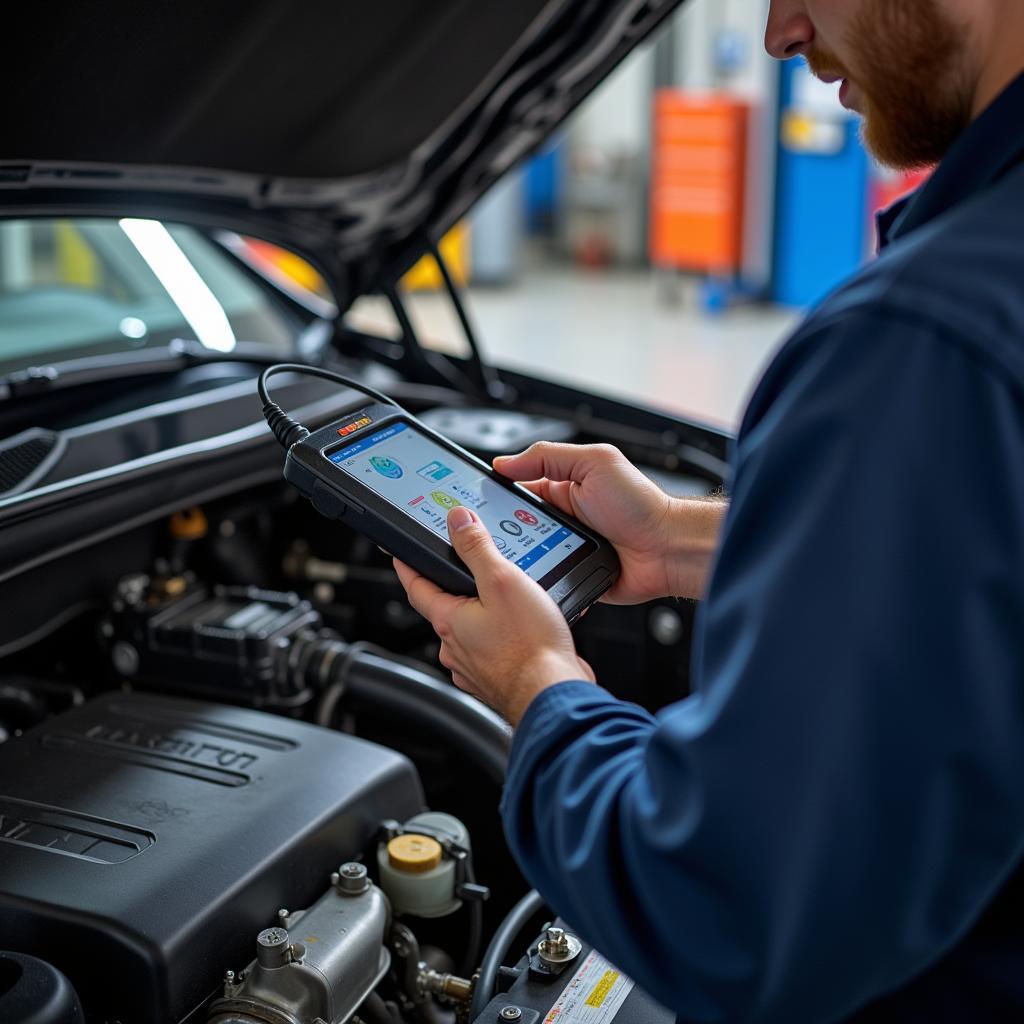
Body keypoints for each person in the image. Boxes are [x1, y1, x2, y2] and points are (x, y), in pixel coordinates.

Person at [394, 0, 1024, 1019]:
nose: (780, 32)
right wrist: (679, 538)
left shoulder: (924, 341)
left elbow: (729, 909)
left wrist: (538, 684)